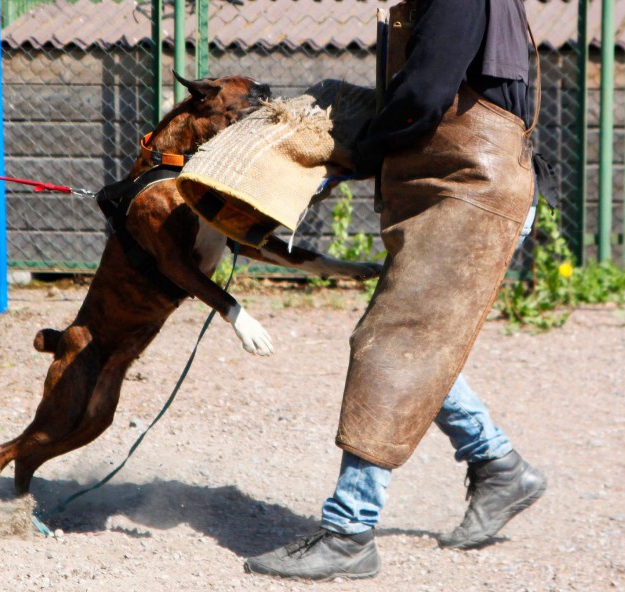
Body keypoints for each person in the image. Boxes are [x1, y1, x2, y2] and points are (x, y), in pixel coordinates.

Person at [244, 0, 547, 581]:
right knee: (415, 344)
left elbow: (424, 95)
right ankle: (499, 465)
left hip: (469, 193)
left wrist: (356, 150)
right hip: (455, 186)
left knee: (391, 345)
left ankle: (349, 532)